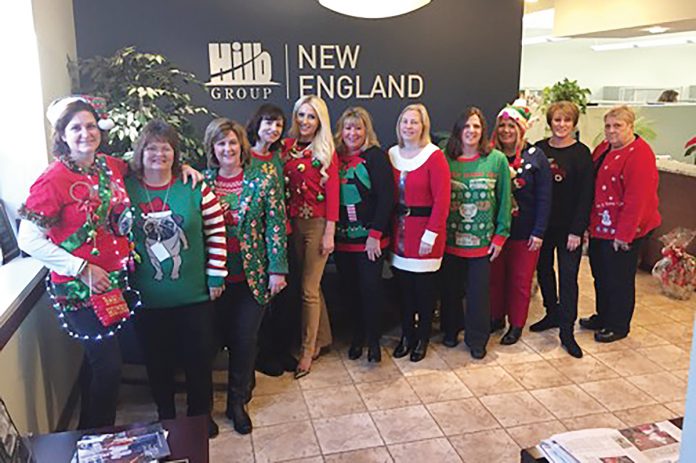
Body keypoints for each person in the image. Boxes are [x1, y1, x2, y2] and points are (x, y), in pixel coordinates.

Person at [17, 96, 133, 430]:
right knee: (108, 367)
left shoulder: (109, 167)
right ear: (63, 135)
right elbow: (28, 239)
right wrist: (79, 268)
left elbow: (148, 167)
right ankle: (101, 439)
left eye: (91, 126)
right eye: (76, 128)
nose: (86, 133)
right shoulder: (52, 179)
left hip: (113, 284)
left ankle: (90, 434)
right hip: (79, 292)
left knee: (99, 364)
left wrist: (182, 168)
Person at [125, 120, 226, 438]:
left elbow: (216, 229)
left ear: (175, 152)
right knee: (157, 361)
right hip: (147, 297)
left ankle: (199, 414)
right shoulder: (124, 187)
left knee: (199, 359)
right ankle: (165, 414)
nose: (159, 154)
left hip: (194, 295)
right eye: (152, 148)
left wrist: (216, 274)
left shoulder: (193, 186)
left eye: (165, 147)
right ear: (141, 152)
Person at [203, 118, 288, 434]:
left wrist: (278, 269)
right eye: (221, 143)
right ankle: (205, 407)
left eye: (232, 142)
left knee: (244, 340)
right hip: (213, 281)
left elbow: (275, 226)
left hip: (252, 277)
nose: (227, 149)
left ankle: (237, 403)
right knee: (210, 343)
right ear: (213, 148)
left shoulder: (262, 179)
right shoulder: (201, 182)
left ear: (242, 146)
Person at [580, 105, 661, 342]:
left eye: (618, 126)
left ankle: (618, 324)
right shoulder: (603, 149)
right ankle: (603, 316)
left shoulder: (640, 154)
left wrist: (624, 235)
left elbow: (637, 199)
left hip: (626, 230)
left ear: (630, 127)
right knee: (601, 274)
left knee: (620, 279)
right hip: (601, 226)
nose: (612, 130)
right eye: (608, 126)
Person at [440, 107, 511, 359]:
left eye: (477, 126)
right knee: (450, 290)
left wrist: (501, 235)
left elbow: (505, 200)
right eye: (467, 126)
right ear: (458, 130)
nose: (471, 131)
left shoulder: (496, 160)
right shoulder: (443, 158)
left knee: (479, 293)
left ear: (483, 131)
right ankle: (450, 330)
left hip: (483, 242)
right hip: (448, 241)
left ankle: (477, 338)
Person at [529, 101, 593, 358]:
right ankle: (551, 312)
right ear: (550, 122)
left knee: (568, 277)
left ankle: (567, 330)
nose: (561, 125)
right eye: (557, 120)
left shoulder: (581, 153)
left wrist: (577, 230)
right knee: (544, 270)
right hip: (543, 227)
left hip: (570, 230)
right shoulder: (539, 150)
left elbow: (585, 195)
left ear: (574, 123)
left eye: (567, 120)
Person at [281, 95, 339, 378]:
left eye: (311, 116)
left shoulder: (327, 150)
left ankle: (306, 351)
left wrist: (330, 232)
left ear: (320, 121)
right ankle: (322, 339)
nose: (305, 121)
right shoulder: (287, 147)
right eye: (301, 115)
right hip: (292, 224)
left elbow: (333, 195)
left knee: (307, 289)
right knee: (310, 288)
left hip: (317, 225)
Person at [388, 103, 451, 362]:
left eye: (414, 122)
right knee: (403, 291)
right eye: (405, 121)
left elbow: (442, 200)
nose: (409, 127)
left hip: (425, 234)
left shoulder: (434, 156)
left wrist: (431, 233)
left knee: (423, 292)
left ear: (423, 126)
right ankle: (407, 335)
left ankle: (422, 337)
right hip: (398, 234)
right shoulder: (391, 154)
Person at [333, 107, 395, 363]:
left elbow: (386, 197)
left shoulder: (376, 157)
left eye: (358, 128)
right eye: (348, 127)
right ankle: (357, 336)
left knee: (370, 290)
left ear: (366, 130)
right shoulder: (334, 157)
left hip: (370, 241)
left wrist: (375, 234)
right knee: (350, 292)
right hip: (342, 240)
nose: (352, 133)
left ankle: (373, 340)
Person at [490, 99, 552, 345]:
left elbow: (545, 198)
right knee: (495, 279)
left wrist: (539, 231)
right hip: (495, 232)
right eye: (502, 125)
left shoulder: (536, 157)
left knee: (520, 281)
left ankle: (516, 324)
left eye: (511, 126)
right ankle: (496, 318)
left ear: (521, 128)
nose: (506, 130)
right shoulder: (492, 157)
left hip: (526, 232)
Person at [245, 104, 297, 377]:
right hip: (256, 242)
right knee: (263, 301)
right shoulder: (244, 157)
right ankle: (264, 355)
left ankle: (281, 350)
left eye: (278, 125)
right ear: (257, 124)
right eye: (268, 123)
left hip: (283, 236)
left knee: (285, 300)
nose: (273, 129)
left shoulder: (277, 156)